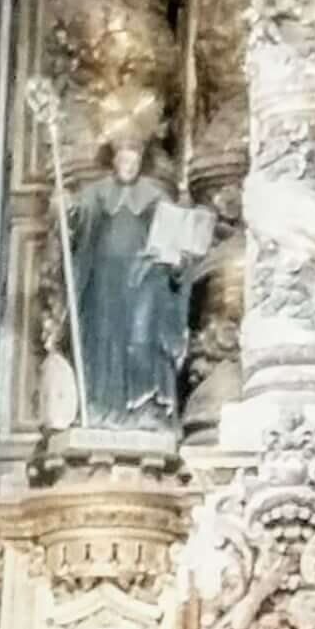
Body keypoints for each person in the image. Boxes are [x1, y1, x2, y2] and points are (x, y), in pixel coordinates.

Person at [67, 136, 209, 426]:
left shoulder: (154, 196)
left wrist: (179, 250)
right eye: (123, 160)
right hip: (104, 281)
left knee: (141, 337)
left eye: (134, 161)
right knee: (102, 338)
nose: (128, 166)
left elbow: (174, 239)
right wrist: (67, 210)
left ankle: (144, 406)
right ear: (115, 161)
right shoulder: (97, 193)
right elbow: (80, 219)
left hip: (143, 281)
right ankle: (101, 406)